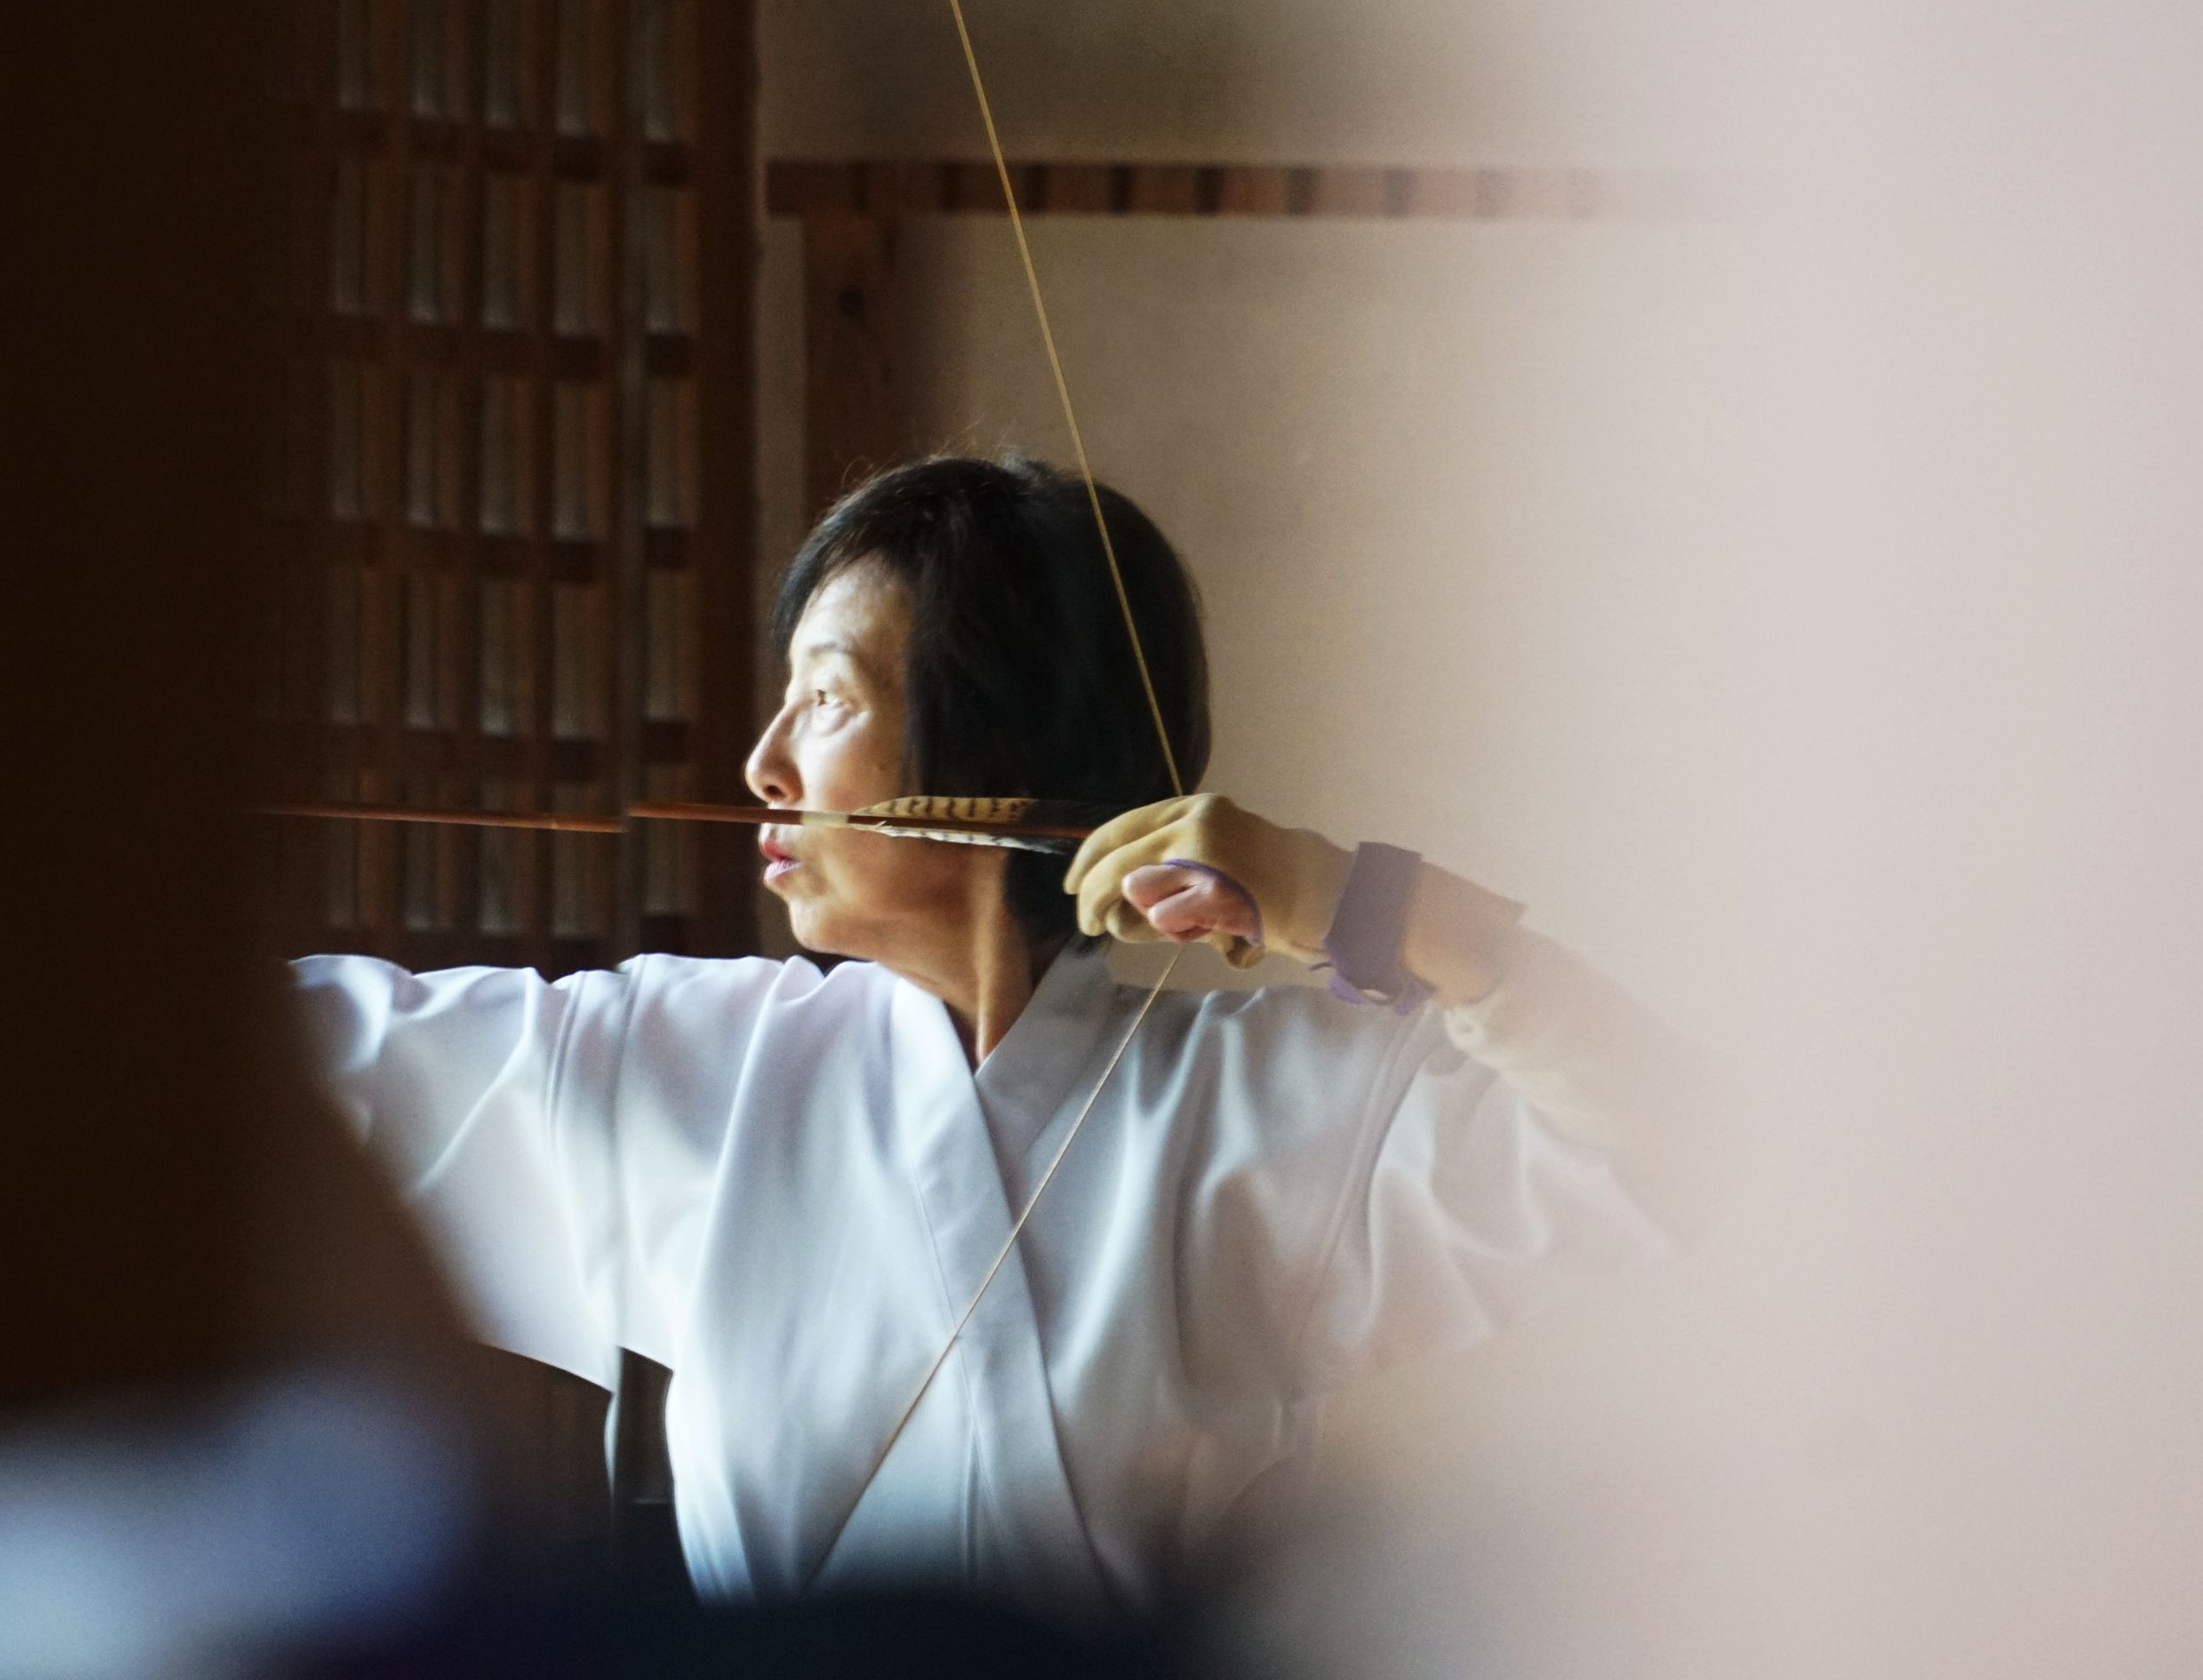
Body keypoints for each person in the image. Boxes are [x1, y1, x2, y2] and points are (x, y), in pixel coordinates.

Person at [295, 456, 1707, 1612]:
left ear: (984, 757)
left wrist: (1360, 900)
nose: (763, 763)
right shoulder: (680, 1062)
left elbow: (1679, 1140)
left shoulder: (1265, 1104)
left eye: (826, 698)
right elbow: (271, 1061)